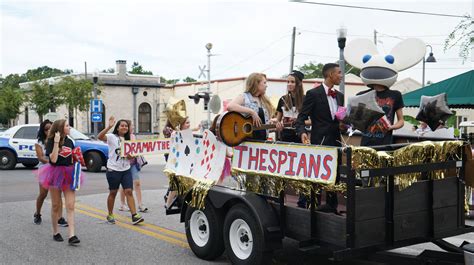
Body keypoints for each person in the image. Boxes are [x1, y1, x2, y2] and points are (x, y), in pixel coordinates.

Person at [295, 63, 345, 213]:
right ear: (330, 75)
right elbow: (301, 118)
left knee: (334, 176)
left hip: (335, 140)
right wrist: (302, 132)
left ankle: (332, 207)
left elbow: (340, 120)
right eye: (339, 73)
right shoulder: (313, 94)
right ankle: (313, 209)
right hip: (319, 141)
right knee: (317, 176)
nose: (341, 76)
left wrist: (344, 125)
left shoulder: (340, 96)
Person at [37, 119, 83, 245]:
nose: (70, 127)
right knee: (56, 205)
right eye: (67, 125)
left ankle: (72, 235)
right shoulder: (51, 141)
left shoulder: (70, 141)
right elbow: (53, 159)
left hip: (68, 173)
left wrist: (77, 158)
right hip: (55, 173)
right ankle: (55, 232)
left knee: (70, 205)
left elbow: (72, 158)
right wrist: (57, 143)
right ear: (61, 128)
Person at [98, 116, 144, 225]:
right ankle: (110, 214)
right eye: (122, 126)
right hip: (113, 169)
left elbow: (131, 157)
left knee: (128, 191)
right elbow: (99, 137)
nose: (124, 127)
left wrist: (130, 156)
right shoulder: (112, 137)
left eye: (126, 126)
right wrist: (109, 126)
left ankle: (134, 215)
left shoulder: (129, 140)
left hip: (126, 169)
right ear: (118, 128)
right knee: (113, 192)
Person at [227, 72, 282, 140]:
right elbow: (230, 106)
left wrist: (275, 128)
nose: (266, 86)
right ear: (256, 84)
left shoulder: (264, 101)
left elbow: (261, 127)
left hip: (262, 142)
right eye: (264, 83)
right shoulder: (244, 96)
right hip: (247, 142)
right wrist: (252, 112)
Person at [33, 120, 68, 227]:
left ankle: (60, 218)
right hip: (45, 169)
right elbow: (41, 157)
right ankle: (37, 213)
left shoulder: (57, 140)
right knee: (43, 194)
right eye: (45, 129)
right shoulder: (39, 142)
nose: (48, 131)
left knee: (58, 193)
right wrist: (53, 162)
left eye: (50, 128)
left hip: (57, 168)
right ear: (42, 131)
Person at [118, 121, 148, 213]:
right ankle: (122, 204)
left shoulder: (133, 136)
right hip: (124, 163)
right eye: (131, 126)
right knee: (124, 185)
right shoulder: (120, 137)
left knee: (137, 183)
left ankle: (140, 204)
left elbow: (136, 147)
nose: (133, 128)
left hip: (133, 163)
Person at [165, 117, 192, 209]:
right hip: (177, 162)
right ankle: (168, 204)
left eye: (189, 123)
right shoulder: (175, 134)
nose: (189, 125)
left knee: (186, 184)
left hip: (187, 162)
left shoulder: (189, 134)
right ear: (182, 124)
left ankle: (184, 203)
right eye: (187, 123)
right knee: (176, 184)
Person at [276, 70, 306, 143]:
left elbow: (312, 121)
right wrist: (278, 124)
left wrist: (297, 121)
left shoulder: (306, 99)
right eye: (288, 82)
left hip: (301, 136)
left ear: (299, 83)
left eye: (292, 82)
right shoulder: (282, 99)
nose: (289, 84)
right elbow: (278, 120)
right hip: (285, 136)